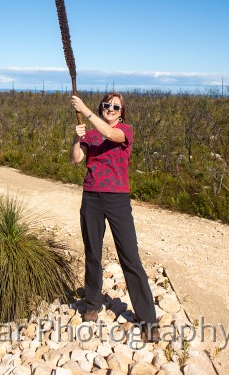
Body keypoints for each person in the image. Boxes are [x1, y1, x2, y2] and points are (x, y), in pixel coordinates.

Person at [70, 92, 160, 342]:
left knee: (130, 257)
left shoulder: (125, 131)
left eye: (115, 107)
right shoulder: (90, 133)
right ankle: (92, 303)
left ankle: (148, 320)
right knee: (93, 253)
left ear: (121, 112)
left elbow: (111, 135)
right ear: (102, 108)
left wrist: (85, 111)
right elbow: (76, 159)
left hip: (117, 199)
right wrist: (77, 138)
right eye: (107, 105)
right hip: (91, 197)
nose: (110, 109)